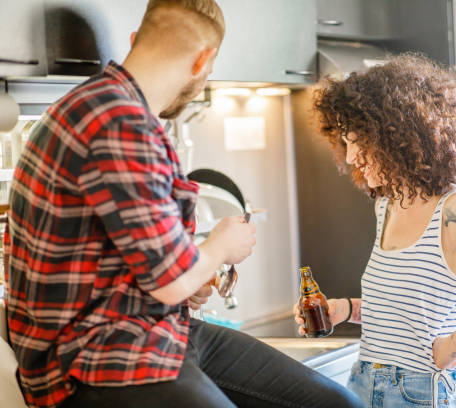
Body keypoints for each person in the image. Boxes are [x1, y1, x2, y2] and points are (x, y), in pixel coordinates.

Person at [4, 1, 364, 407]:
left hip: (158, 333)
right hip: (96, 359)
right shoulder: (119, 121)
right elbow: (168, 279)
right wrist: (220, 247)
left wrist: (191, 275)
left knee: (338, 403)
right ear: (203, 61)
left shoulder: (109, 110)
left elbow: (142, 266)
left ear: (136, 40)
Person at [294, 53, 456, 408]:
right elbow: (406, 313)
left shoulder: (455, 210)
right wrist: (345, 309)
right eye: (346, 140)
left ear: (393, 135)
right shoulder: (386, 205)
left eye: (357, 140)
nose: (350, 155)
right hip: (363, 382)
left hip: (421, 393)